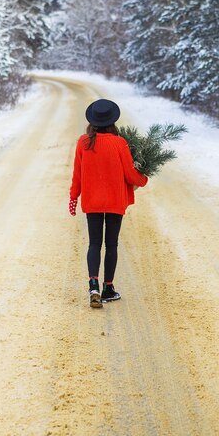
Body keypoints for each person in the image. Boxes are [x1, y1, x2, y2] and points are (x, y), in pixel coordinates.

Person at [69, 98, 148, 308]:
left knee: (94, 243)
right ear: (113, 121)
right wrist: (144, 179)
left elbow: (77, 174)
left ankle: (93, 285)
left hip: (92, 201)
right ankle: (108, 288)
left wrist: (73, 196)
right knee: (111, 244)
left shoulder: (83, 142)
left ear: (92, 121)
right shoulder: (119, 143)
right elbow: (130, 174)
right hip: (114, 201)